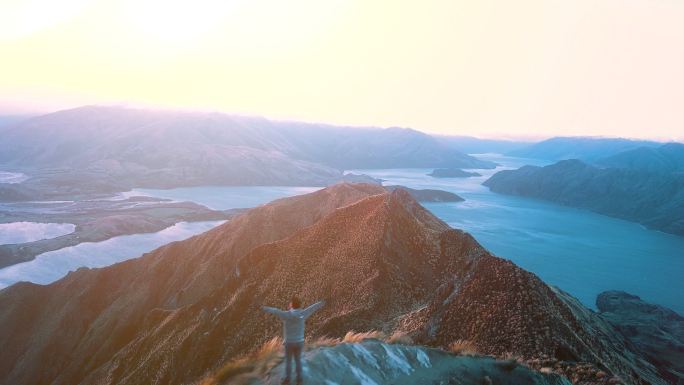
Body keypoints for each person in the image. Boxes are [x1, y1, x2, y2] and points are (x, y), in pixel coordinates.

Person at [262, 296, 325, 385]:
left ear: (291, 305)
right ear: (299, 305)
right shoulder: (303, 313)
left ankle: (287, 380)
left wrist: (263, 308)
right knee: (298, 360)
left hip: (289, 343)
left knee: (288, 361)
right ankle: (299, 379)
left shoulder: (286, 315)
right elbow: (313, 308)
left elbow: (275, 311)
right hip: (299, 342)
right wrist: (322, 302)